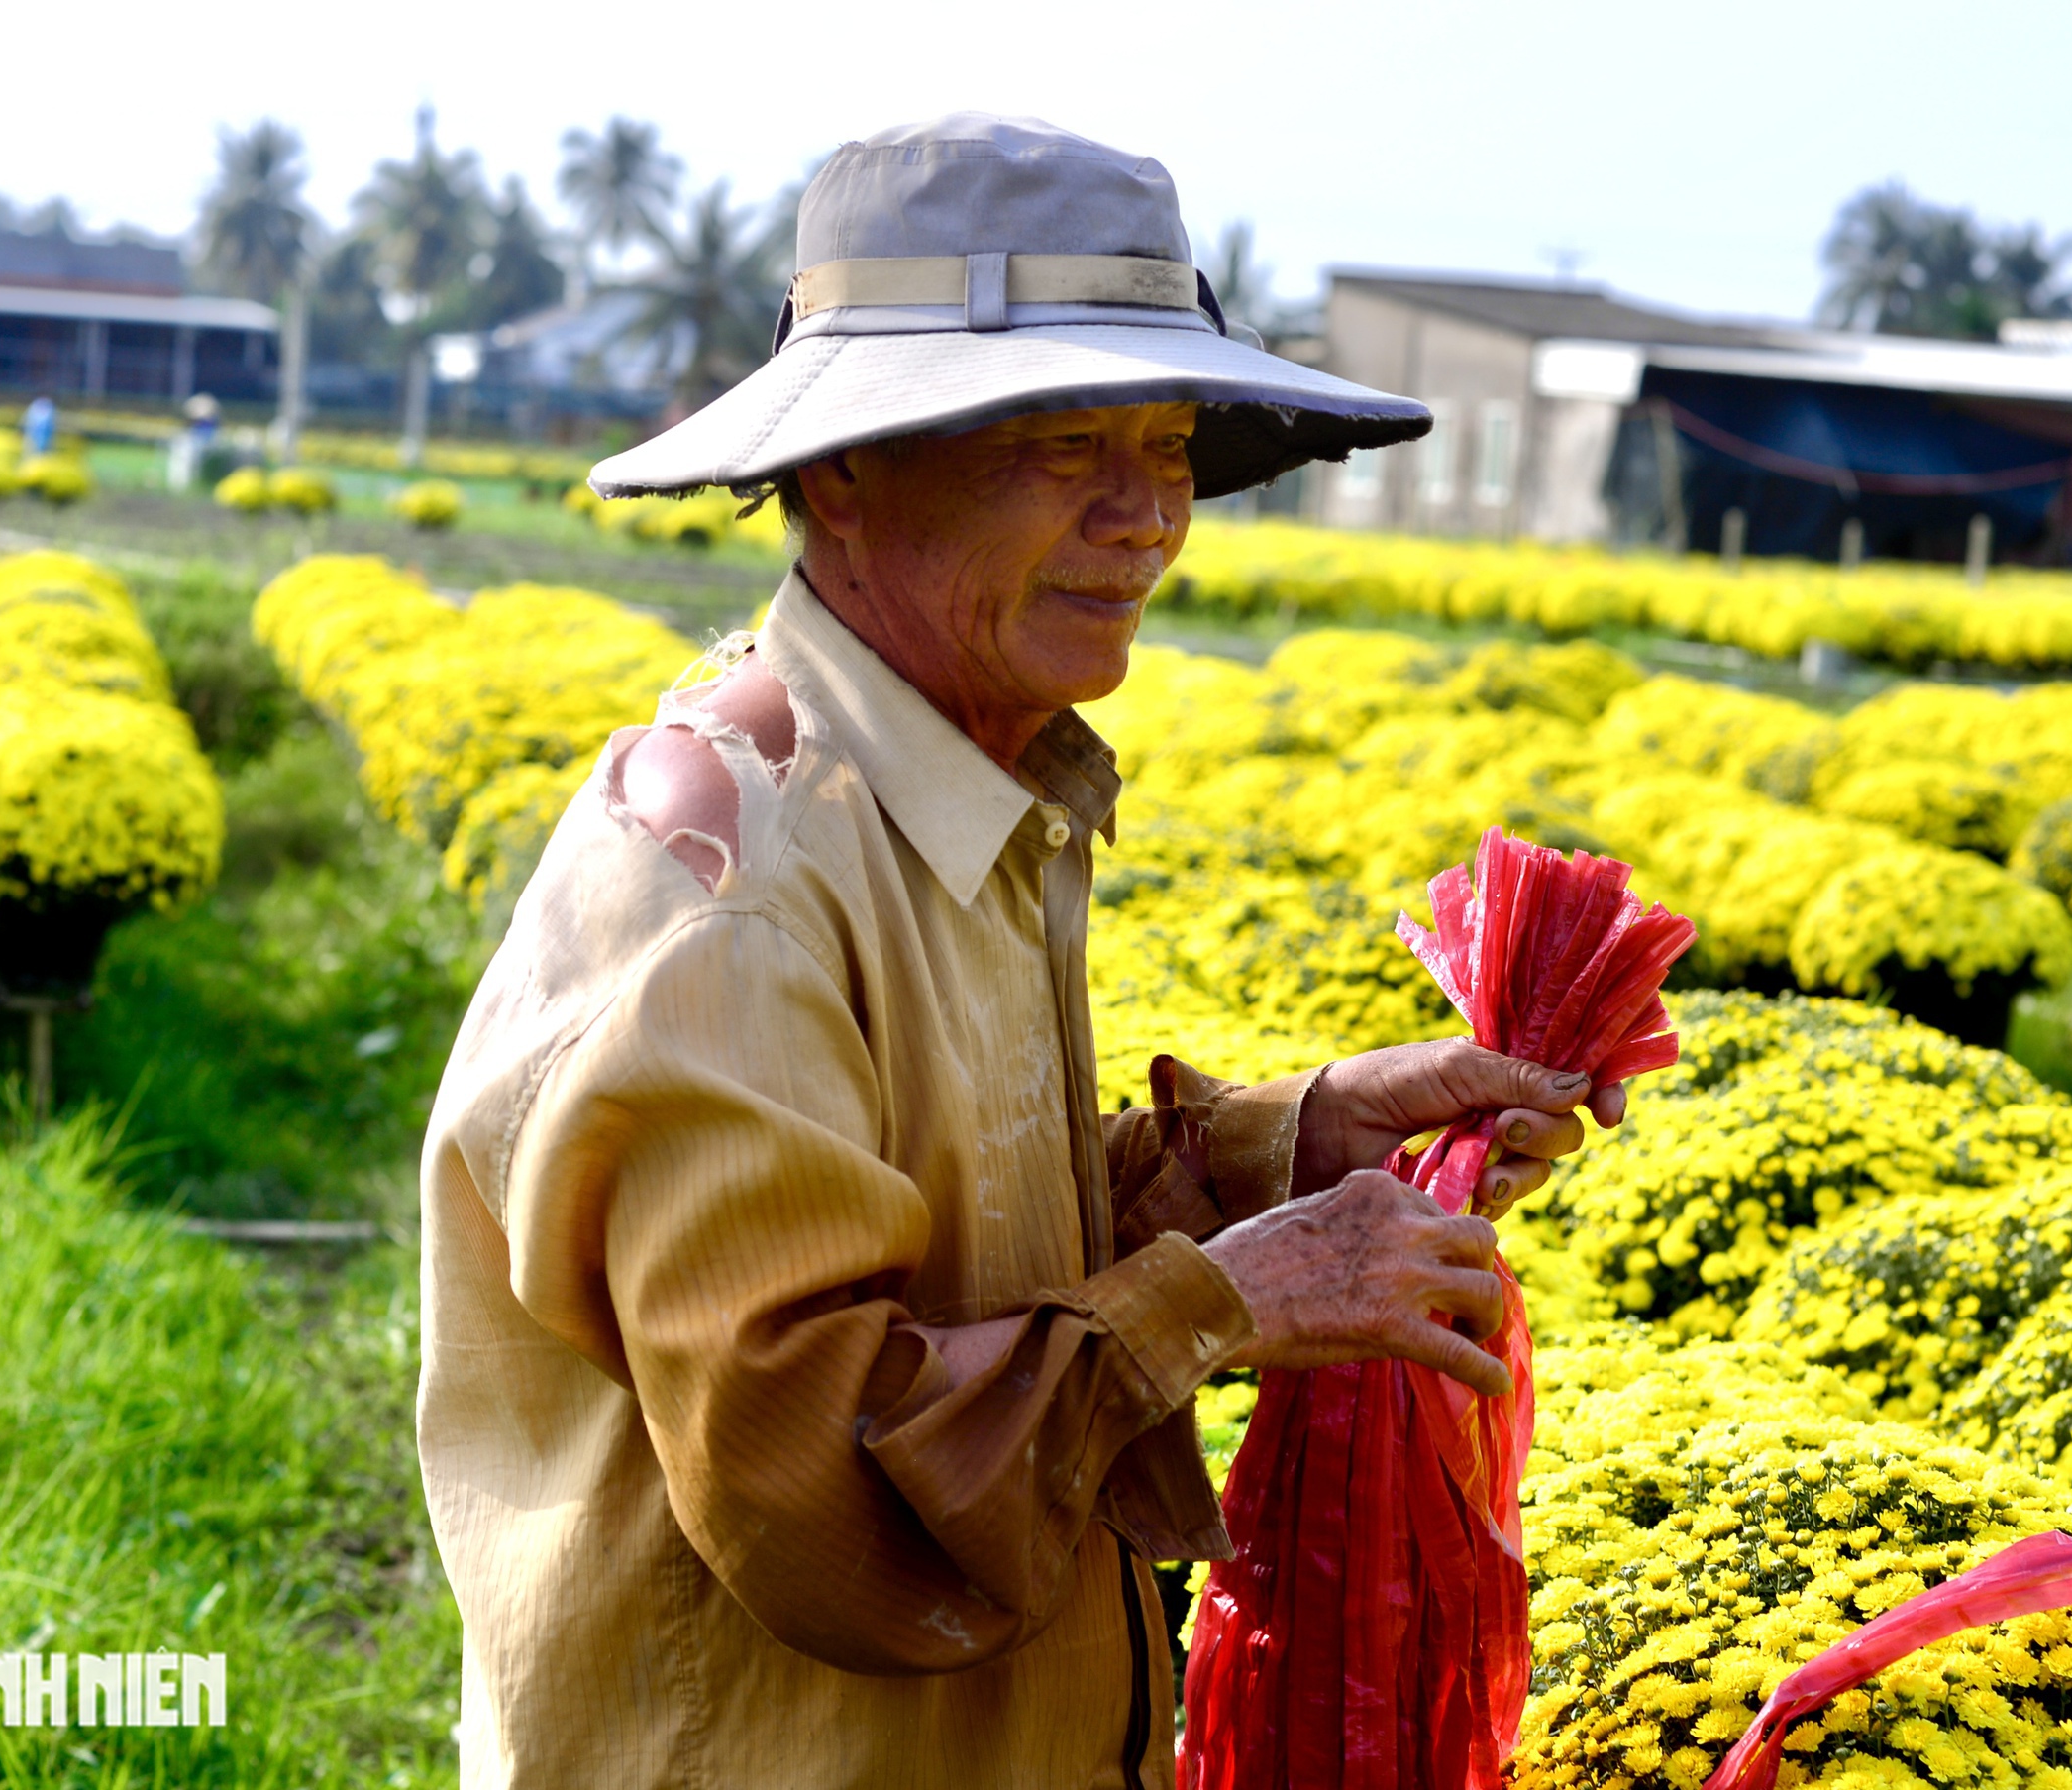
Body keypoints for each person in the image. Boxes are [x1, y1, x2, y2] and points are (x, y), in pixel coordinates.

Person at [417, 114, 1628, 1790]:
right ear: (845, 473)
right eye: (1065, 444)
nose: (1147, 519)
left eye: (1170, 446)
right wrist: (1230, 1298)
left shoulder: (959, 790)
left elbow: (971, 1242)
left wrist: (1285, 1151)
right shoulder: (739, 891)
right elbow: (818, 1466)